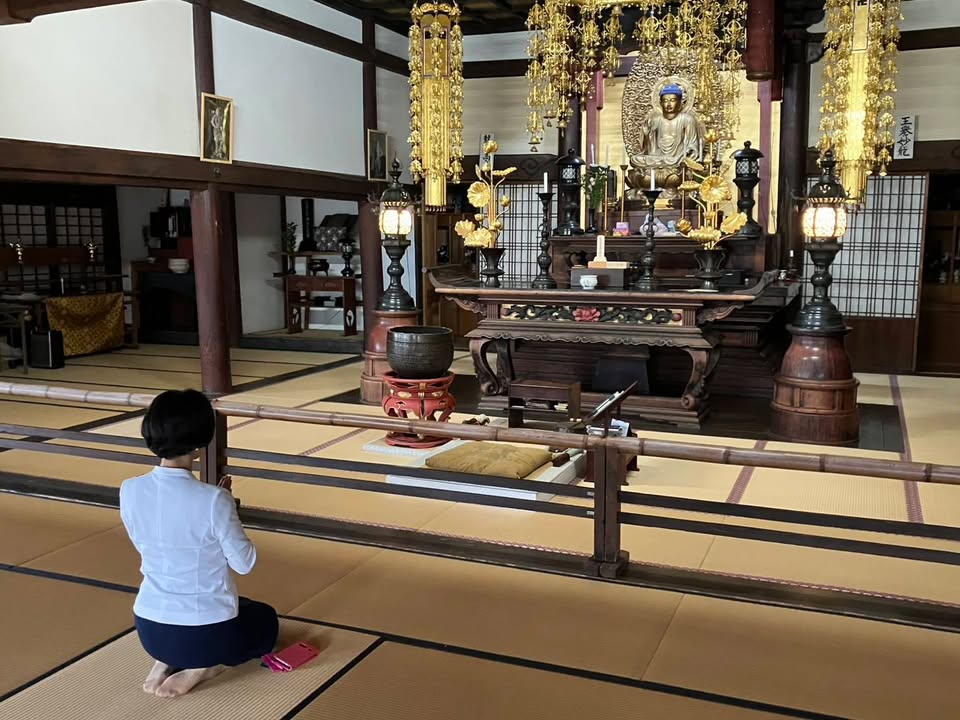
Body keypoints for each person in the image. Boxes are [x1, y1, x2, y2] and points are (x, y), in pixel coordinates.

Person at [120, 390, 278, 698]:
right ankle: (202, 666)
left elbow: (165, 534)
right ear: (200, 440)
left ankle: (167, 661)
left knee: (236, 607)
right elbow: (245, 564)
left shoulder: (129, 490)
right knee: (265, 621)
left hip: (149, 628)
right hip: (206, 632)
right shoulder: (214, 500)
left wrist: (216, 508)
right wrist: (227, 509)